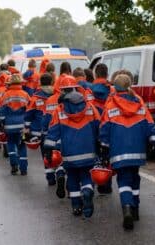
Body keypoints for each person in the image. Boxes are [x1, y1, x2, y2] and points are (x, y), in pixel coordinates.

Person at [99, 74, 155, 230]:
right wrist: (153, 141)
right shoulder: (138, 101)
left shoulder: (111, 105)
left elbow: (104, 129)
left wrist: (104, 147)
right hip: (137, 150)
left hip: (118, 151)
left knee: (123, 180)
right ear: (129, 85)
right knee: (135, 178)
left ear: (115, 87)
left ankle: (126, 207)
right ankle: (135, 208)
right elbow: (149, 123)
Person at [44, 75, 100, 217]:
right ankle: (87, 191)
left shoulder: (59, 110)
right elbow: (98, 127)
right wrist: (100, 147)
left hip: (69, 154)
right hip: (88, 151)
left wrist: (48, 151)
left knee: (73, 179)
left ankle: (76, 206)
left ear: (62, 91)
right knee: (87, 176)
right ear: (76, 88)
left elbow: (52, 134)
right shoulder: (89, 107)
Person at [25, 73, 57, 185]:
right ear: (52, 82)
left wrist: (27, 128)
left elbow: (29, 115)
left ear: (40, 83)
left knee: (46, 154)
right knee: (58, 151)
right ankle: (60, 171)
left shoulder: (35, 97)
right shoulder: (57, 96)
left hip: (41, 132)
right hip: (56, 129)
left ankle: (50, 177)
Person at [0, 74, 30, 175]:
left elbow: (2, 111)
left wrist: (2, 123)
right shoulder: (25, 94)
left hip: (9, 126)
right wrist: (28, 125)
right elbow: (29, 110)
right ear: (20, 82)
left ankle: (14, 165)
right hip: (22, 126)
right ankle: (24, 169)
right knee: (22, 145)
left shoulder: (6, 95)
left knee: (11, 144)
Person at [90, 63, 115, 194]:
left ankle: (95, 181)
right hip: (108, 126)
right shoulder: (112, 90)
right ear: (107, 74)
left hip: (93, 126)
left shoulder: (89, 89)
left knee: (95, 154)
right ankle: (106, 185)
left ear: (95, 74)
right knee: (107, 155)